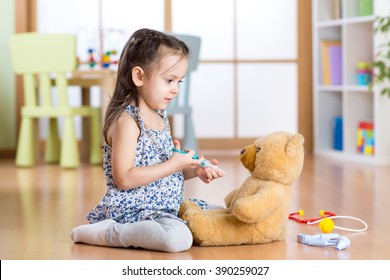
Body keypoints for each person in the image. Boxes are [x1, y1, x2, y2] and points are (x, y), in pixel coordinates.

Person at [70, 28, 224, 253]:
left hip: (165, 209)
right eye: (169, 80)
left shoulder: (159, 114)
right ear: (139, 76)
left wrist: (191, 169)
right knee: (178, 239)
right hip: (134, 212)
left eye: (179, 82)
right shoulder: (127, 122)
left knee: (220, 213)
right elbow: (123, 178)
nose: (175, 90)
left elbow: (162, 171)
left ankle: (171, 226)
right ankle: (108, 232)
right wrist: (173, 164)